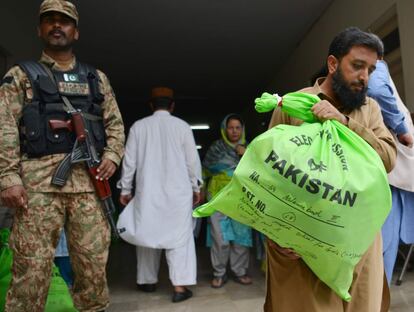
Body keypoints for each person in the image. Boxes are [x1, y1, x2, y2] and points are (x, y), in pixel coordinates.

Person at [0, 0, 125, 311]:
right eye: (50, 20)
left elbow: (115, 125)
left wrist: (112, 156)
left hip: (89, 187)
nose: (57, 26)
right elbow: (4, 126)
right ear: (40, 29)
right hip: (38, 189)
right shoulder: (21, 76)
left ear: (76, 32)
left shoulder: (96, 78)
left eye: (65, 21)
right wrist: (8, 177)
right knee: (31, 273)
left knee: (93, 272)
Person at [264, 27, 396, 312]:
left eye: (370, 69)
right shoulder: (293, 105)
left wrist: (345, 125)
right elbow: (267, 176)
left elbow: (387, 158)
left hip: (358, 242)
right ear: (333, 64)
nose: (364, 77)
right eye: (357, 66)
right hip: (304, 242)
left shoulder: (369, 109)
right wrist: (276, 234)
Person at [117, 86, 202, 303]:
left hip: (148, 192)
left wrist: (125, 189)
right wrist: (196, 187)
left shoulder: (139, 127)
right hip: (178, 193)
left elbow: (130, 161)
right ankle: (180, 287)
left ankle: (147, 281)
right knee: (179, 238)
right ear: (172, 106)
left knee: (146, 233)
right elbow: (192, 161)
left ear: (151, 105)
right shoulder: (182, 126)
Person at [367, 40, 414, 284]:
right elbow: (376, 89)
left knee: (385, 240)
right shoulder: (377, 69)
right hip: (391, 170)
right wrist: (402, 128)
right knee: (385, 241)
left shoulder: (378, 68)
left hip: (392, 168)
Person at [202, 114, 253, 288]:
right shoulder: (216, 148)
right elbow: (205, 169)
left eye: (238, 127)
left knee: (241, 237)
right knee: (219, 237)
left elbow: (260, 169)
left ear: (243, 129)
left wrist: (245, 154)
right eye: (231, 127)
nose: (234, 131)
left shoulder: (251, 148)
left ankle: (240, 271)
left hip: (242, 197)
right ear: (225, 129)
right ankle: (219, 273)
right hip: (218, 197)